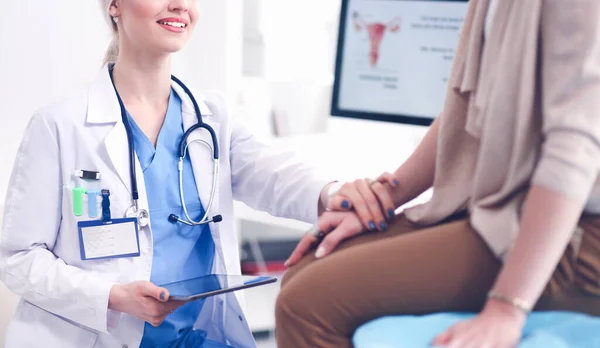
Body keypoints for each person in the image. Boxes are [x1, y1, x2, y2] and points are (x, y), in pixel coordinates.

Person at [0, 0, 336, 347]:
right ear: (114, 5)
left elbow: (274, 176)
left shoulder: (211, 120)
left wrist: (334, 193)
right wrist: (112, 296)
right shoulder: (59, 127)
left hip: (200, 339)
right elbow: (18, 258)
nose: (180, 5)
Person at [276, 0, 600, 347]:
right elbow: (468, 101)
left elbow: (575, 148)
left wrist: (507, 309)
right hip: (507, 207)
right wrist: (384, 197)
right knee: (304, 269)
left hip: (577, 233)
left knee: (306, 304)